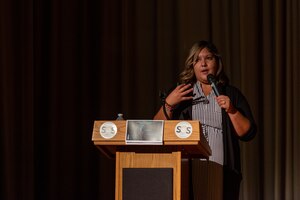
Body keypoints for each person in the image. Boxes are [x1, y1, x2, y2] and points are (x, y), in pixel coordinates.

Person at [154, 40, 257, 199]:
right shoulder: (181, 93)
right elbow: (155, 128)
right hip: (187, 172)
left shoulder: (232, 94)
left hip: (223, 173)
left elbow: (247, 133)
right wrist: (168, 103)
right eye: (197, 59)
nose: (203, 64)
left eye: (208, 58)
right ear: (192, 65)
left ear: (217, 62)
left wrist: (232, 110)